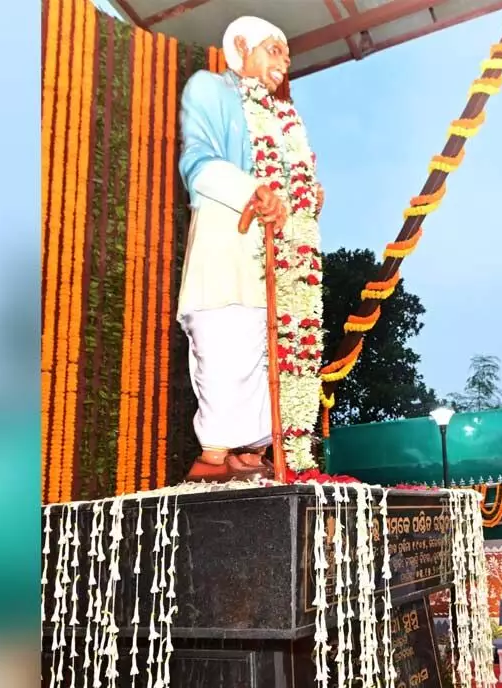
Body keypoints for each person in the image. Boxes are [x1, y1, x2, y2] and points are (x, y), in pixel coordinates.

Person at [177, 16, 325, 481]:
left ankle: (252, 451)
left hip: (276, 255)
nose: (284, 61)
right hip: (230, 230)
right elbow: (197, 163)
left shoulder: (283, 117)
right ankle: (214, 456)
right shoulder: (210, 90)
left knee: (271, 349)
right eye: (274, 49)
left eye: (286, 53)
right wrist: (251, 192)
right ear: (240, 44)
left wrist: (306, 199)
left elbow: (290, 184)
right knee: (226, 334)